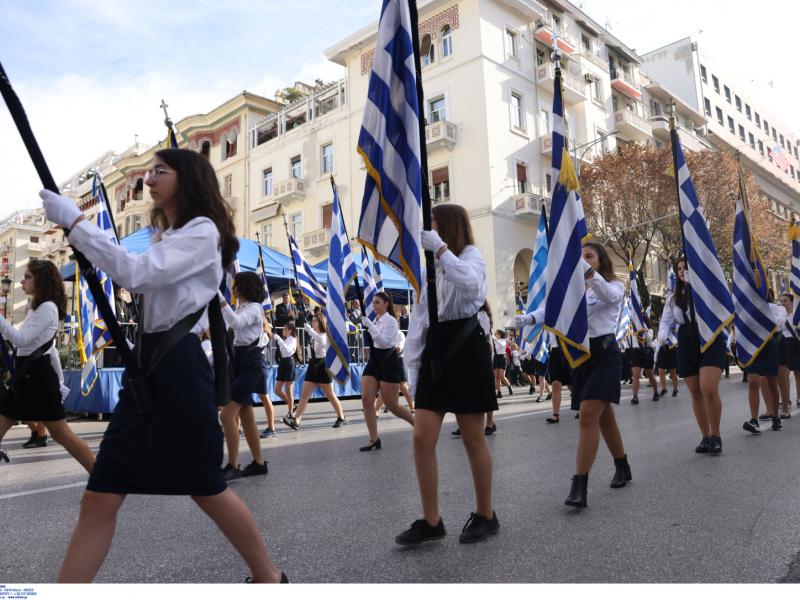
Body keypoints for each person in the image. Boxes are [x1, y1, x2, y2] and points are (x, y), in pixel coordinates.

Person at [41, 148, 286, 582]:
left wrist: (78, 225)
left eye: (160, 171)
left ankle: (269, 577)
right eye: (148, 172)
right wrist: (82, 236)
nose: (148, 180)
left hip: (179, 367)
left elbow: (137, 275)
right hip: (148, 366)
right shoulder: (166, 237)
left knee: (207, 487)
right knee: (100, 495)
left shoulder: (202, 231)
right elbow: (134, 273)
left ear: (187, 179)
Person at [397, 203, 499, 545]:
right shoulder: (432, 269)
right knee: (421, 437)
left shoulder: (471, 255)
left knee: (472, 437)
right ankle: (431, 520)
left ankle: (486, 514)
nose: (431, 230)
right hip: (437, 351)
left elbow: (472, 287)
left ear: (450, 226)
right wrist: (412, 371)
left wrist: (440, 251)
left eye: (436, 224)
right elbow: (420, 321)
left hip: (466, 346)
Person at [518, 241, 630, 508]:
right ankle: (622, 465)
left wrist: (589, 274)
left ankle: (579, 484)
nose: (584, 261)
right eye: (580, 258)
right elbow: (555, 311)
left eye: (589, 257)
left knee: (589, 415)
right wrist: (531, 318)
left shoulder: (614, 284)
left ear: (600, 260)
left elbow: (609, 297)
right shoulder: (574, 290)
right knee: (605, 418)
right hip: (580, 357)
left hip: (605, 354)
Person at [0, 260, 94, 470]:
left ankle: (101, 479)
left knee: (63, 435)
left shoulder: (47, 308)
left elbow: (21, 339)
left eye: (28, 277)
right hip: (27, 377)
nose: (22, 281)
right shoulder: (36, 309)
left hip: (38, 379)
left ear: (41, 281)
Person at [658, 257, 726, 454]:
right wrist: (662, 335)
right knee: (696, 392)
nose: (681, 271)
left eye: (685, 267)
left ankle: (716, 435)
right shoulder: (673, 297)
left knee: (708, 388)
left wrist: (695, 285)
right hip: (686, 339)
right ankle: (705, 436)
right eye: (679, 268)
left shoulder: (706, 288)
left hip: (708, 335)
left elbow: (719, 304)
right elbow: (666, 320)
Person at [217, 272, 269, 480]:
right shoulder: (242, 307)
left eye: (236, 285)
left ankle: (233, 464)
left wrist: (220, 299)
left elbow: (237, 324)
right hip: (238, 362)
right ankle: (259, 462)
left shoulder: (255, 309)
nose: (233, 289)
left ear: (245, 287)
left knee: (227, 415)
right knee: (246, 415)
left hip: (251, 363)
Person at [358, 291, 414, 451]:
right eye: (373, 302)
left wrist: (370, 326)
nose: (374, 305)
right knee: (366, 398)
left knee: (392, 405)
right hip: (375, 361)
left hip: (389, 361)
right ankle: (374, 438)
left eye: (377, 302)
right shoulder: (376, 320)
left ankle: (418, 426)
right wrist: (370, 325)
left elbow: (384, 342)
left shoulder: (391, 322)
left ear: (386, 304)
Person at [288, 314, 348, 429]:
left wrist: (310, 330)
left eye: (315, 321)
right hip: (312, 365)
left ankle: (341, 417)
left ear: (320, 322)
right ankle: (297, 420)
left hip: (323, 365)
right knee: (304, 395)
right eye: (313, 320)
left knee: (330, 394)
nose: (313, 322)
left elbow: (320, 341)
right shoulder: (313, 335)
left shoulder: (324, 336)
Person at [272, 321, 299, 427]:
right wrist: (279, 340)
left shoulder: (292, 339)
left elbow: (288, 351)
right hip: (283, 363)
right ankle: (292, 405)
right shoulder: (286, 339)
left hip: (289, 362)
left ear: (290, 331)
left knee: (288, 389)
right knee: (277, 390)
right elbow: (283, 351)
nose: (283, 330)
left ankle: (290, 413)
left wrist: (279, 339)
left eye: (285, 329)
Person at [630, 327, 659, 404]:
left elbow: (649, 339)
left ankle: (656, 392)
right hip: (637, 352)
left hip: (647, 352)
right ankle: (635, 396)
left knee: (650, 376)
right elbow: (632, 336)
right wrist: (638, 331)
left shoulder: (650, 329)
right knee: (636, 375)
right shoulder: (634, 326)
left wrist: (643, 331)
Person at [780, 294, 800, 408]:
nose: (783, 303)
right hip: (783, 343)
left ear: (792, 302)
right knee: (784, 374)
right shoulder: (780, 315)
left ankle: (799, 397)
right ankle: (786, 400)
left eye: (785, 300)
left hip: (795, 343)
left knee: (798, 373)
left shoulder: (796, 316)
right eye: (781, 301)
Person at [491, 330, 512, 398]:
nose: (495, 334)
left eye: (496, 333)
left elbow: (502, 345)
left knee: (502, 376)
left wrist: (496, 339)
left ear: (500, 334)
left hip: (502, 358)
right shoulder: (494, 341)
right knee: (496, 377)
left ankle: (509, 386)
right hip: (496, 358)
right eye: (495, 333)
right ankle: (499, 392)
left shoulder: (503, 340)